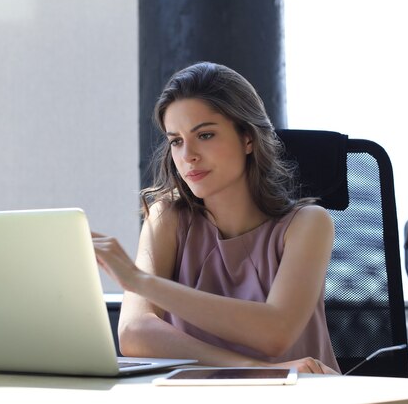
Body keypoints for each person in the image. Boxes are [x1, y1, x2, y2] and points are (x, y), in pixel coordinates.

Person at [93, 61, 340, 374]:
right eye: (176, 141)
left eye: (205, 135)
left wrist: (140, 281)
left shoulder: (308, 223)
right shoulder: (167, 218)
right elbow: (135, 334)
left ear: (248, 138)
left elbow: (275, 332)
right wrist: (254, 370)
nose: (188, 156)